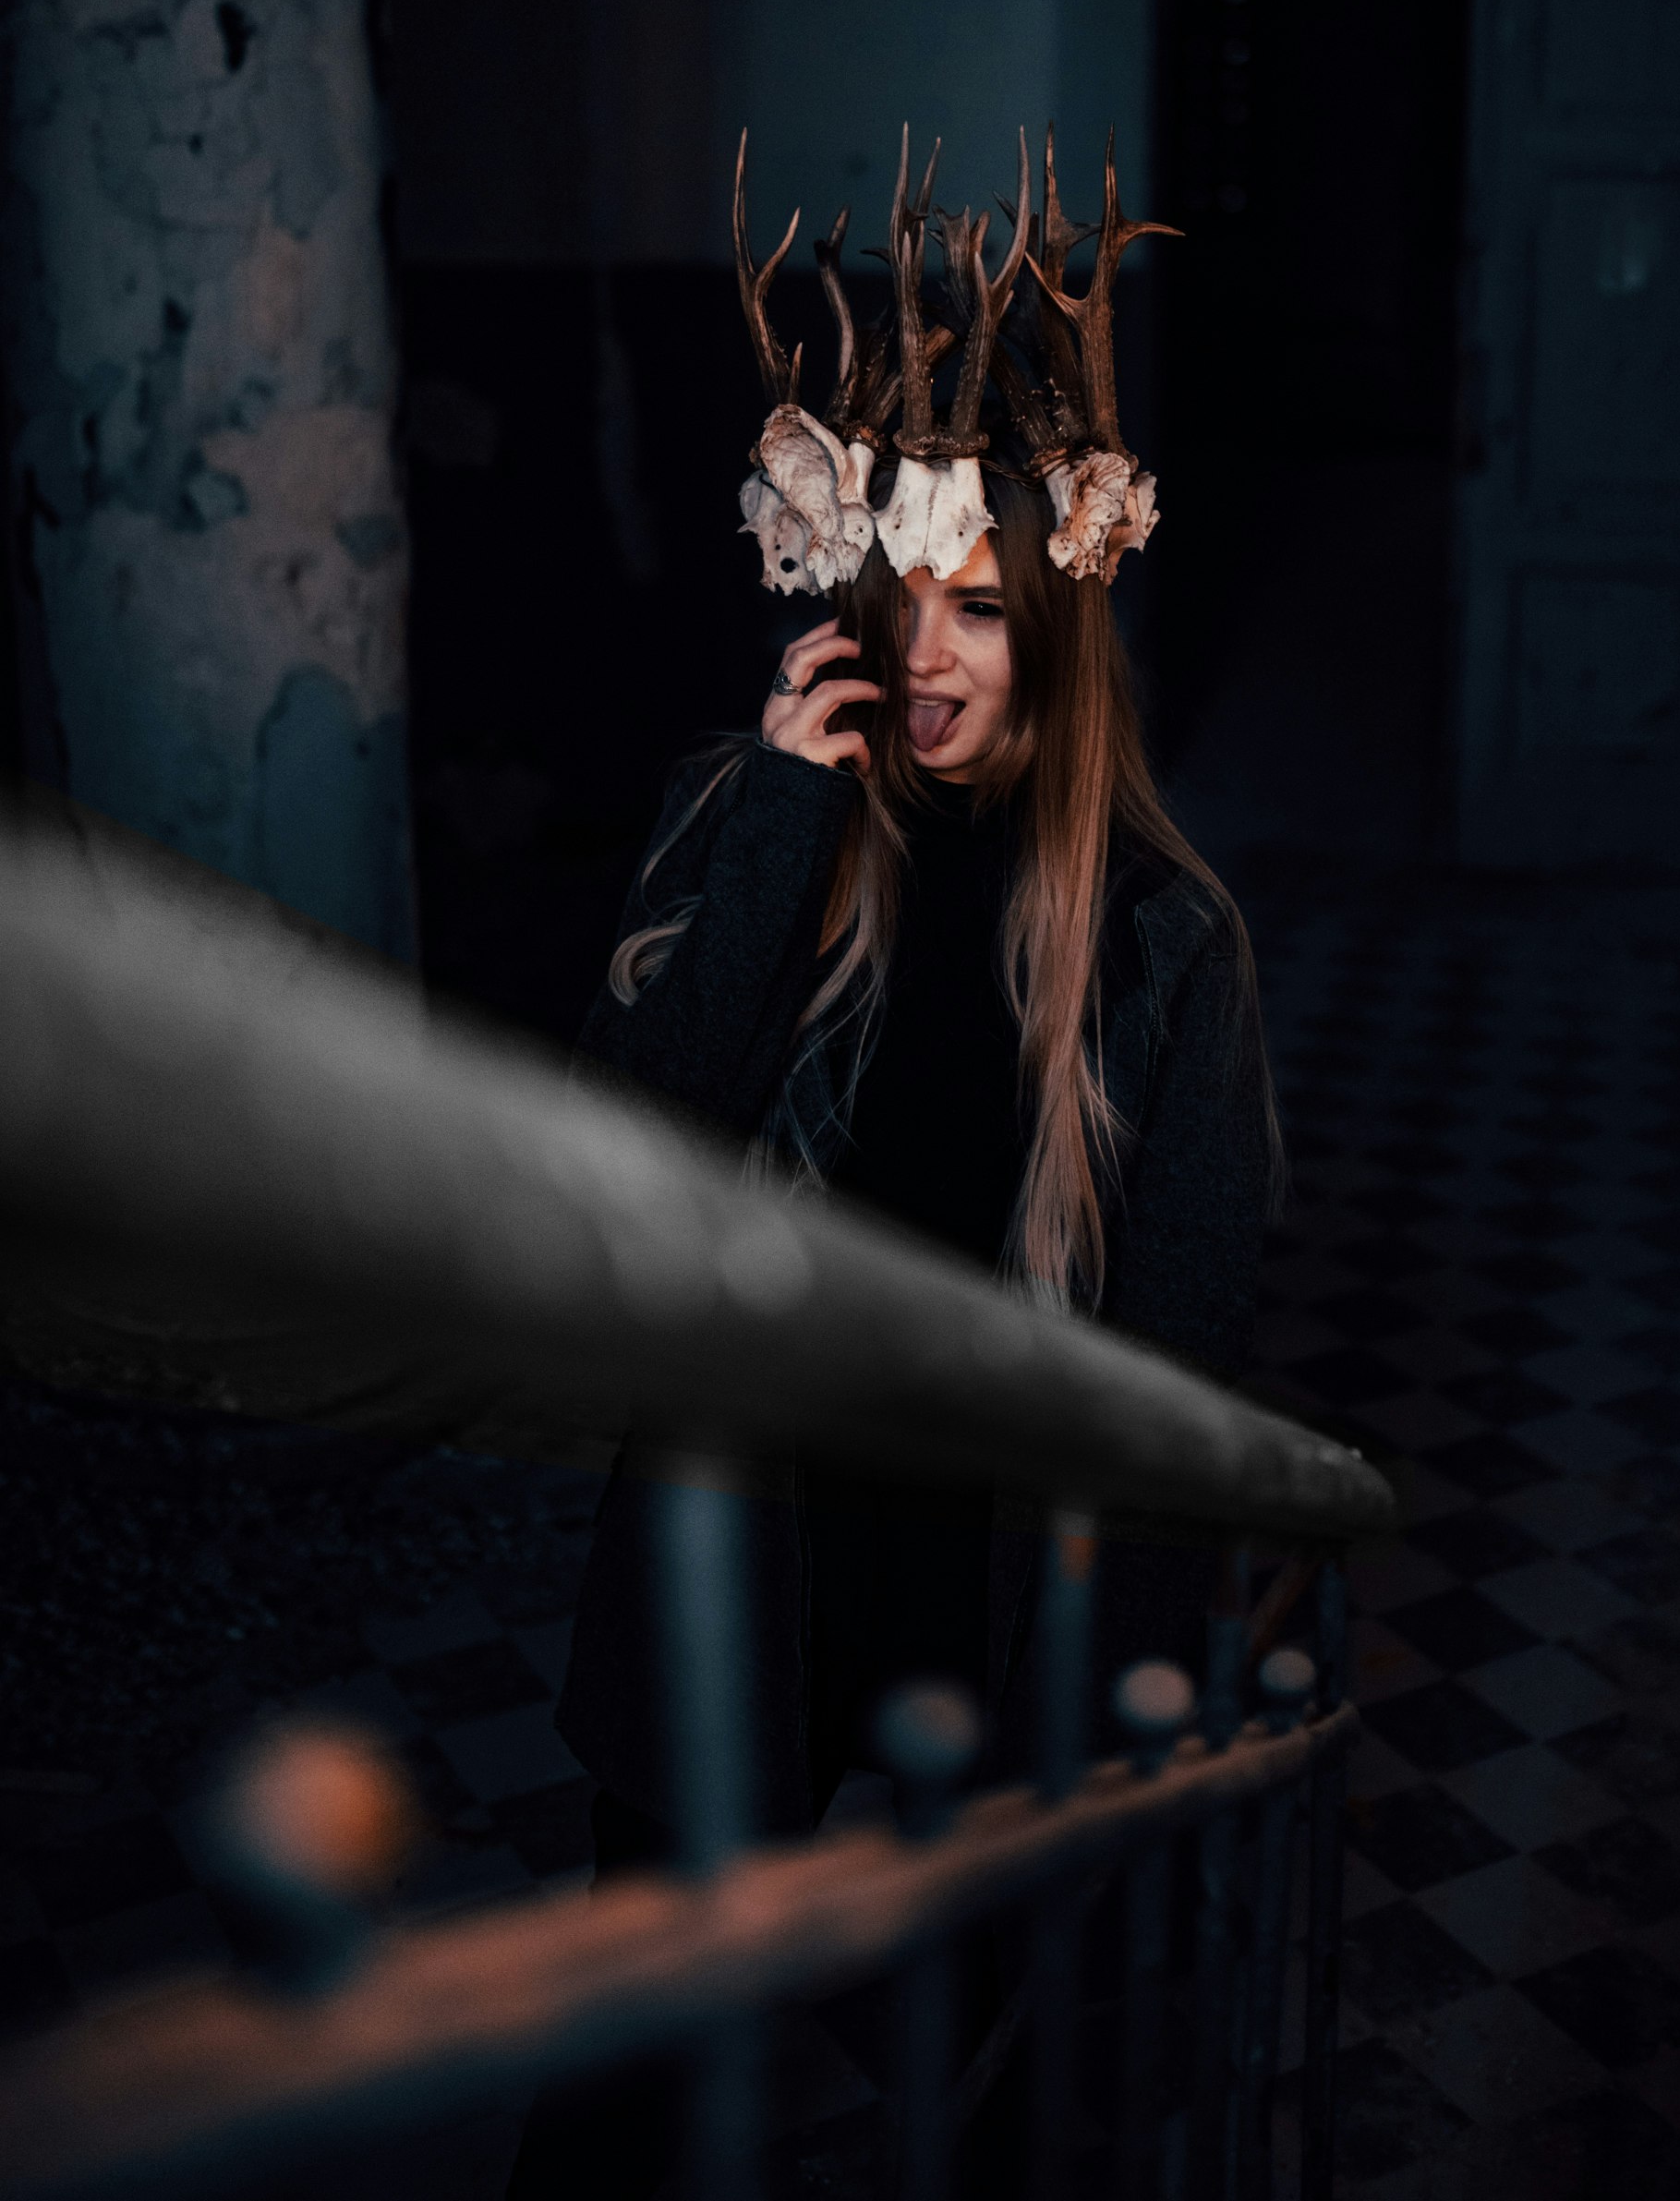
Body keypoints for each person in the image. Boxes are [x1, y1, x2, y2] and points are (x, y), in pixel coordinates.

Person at [506, 129, 1281, 2198]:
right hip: (750, 1522)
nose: (925, 655)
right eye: (890, 599)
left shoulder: (1161, 935)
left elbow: (1184, 1341)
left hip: (990, 1549)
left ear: (1057, 621)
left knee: (1011, 2061)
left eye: (977, 610)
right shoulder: (746, 816)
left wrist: (1135, 1667)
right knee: (632, 2047)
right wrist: (772, 825)